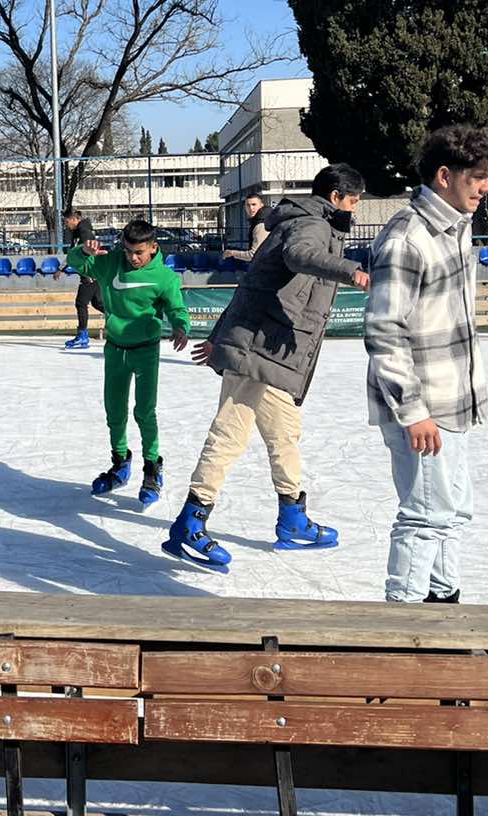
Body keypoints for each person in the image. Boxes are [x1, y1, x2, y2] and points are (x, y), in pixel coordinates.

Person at [165, 165, 371, 571]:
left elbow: (255, 282)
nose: (356, 210)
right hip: (258, 349)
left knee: (284, 432)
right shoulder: (311, 225)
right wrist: (353, 272)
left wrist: (221, 333)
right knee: (230, 433)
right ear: (335, 197)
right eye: (354, 201)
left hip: (267, 349)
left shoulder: (303, 222)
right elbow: (300, 257)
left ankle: (293, 517)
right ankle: (190, 522)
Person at [366, 125, 488, 605]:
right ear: (445, 176)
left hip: (454, 400)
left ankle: (442, 609)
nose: (486, 188)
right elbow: (384, 331)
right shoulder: (407, 238)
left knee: (452, 512)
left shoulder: (457, 232)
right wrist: (413, 411)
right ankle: (400, 633)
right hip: (422, 407)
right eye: (479, 178)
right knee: (425, 515)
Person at [65, 219, 191, 507]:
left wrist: (181, 326)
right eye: (129, 251)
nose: (133, 258)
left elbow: (176, 307)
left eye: (140, 253)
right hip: (115, 349)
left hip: (146, 351)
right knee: (115, 410)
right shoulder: (110, 263)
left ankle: (152, 467)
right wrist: (83, 251)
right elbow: (75, 263)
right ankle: (120, 461)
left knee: (145, 411)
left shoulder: (165, 278)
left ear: (153, 248)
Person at [62, 207, 105, 350]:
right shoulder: (77, 233)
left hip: (90, 275)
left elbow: (86, 252)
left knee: (81, 303)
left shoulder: (84, 232)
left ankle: (82, 336)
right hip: (92, 275)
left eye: (67, 221)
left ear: (74, 219)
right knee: (98, 304)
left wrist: (88, 273)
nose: (66, 224)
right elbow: (73, 254)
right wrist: (60, 269)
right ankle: (122, 317)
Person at [227, 192, 270, 262]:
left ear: (261, 205)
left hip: (267, 268)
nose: (251, 208)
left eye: (254, 205)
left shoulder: (261, 225)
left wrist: (232, 253)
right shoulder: (262, 220)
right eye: (248, 205)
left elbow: (253, 255)